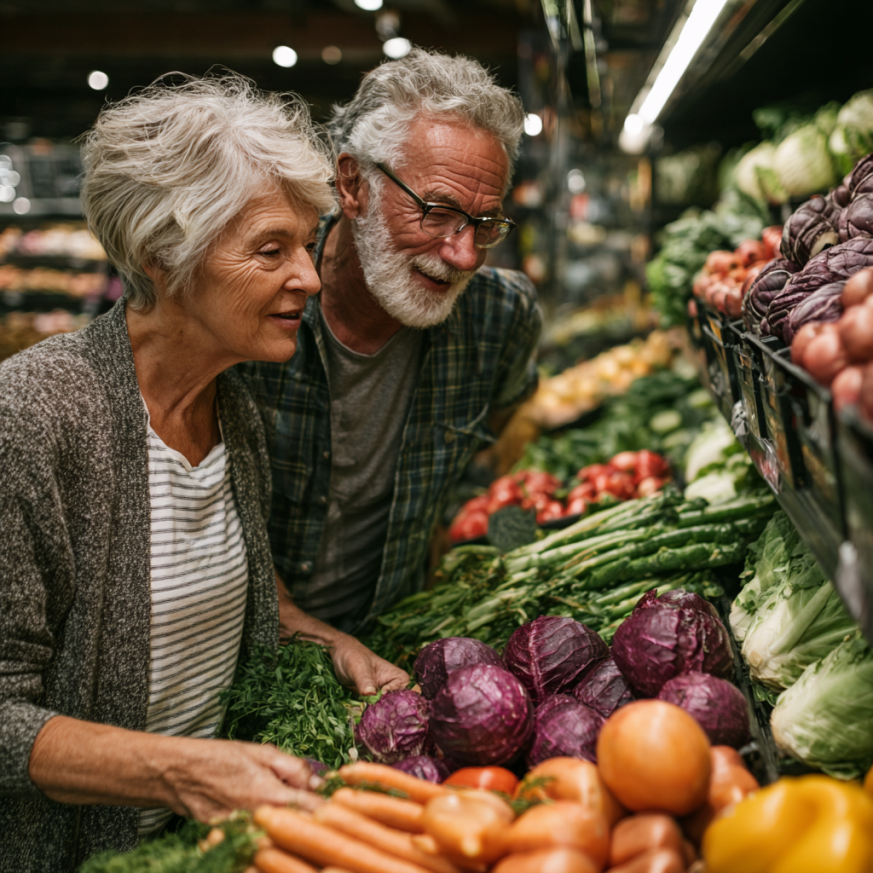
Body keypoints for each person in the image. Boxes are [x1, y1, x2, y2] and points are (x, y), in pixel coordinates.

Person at [0, 73, 404, 871]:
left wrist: (325, 639)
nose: (311, 277)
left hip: (208, 850)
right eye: (269, 249)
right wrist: (184, 771)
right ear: (161, 253)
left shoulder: (234, 407)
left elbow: (221, 594)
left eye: (305, 241)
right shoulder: (34, 419)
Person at [241, 49, 543, 634]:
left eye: (485, 224)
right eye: (435, 211)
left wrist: (465, 529)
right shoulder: (256, 308)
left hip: (391, 644)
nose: (463, 254)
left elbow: (501, 427)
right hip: (235, 654)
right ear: (353, 185)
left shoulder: (500, 317)